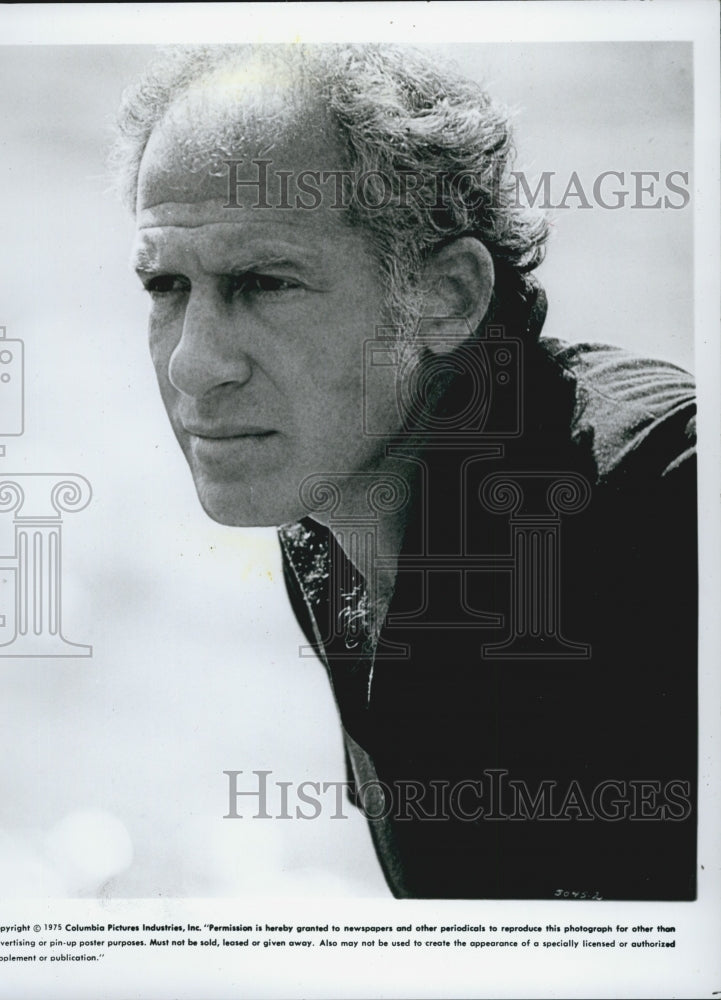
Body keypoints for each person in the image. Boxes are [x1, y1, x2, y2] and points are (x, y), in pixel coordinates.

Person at [113, 44, 696, 899]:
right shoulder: (329, 512)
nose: (195, 364)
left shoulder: (669, 504)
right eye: (166, 285)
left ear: (447, 296)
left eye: (267, 282)